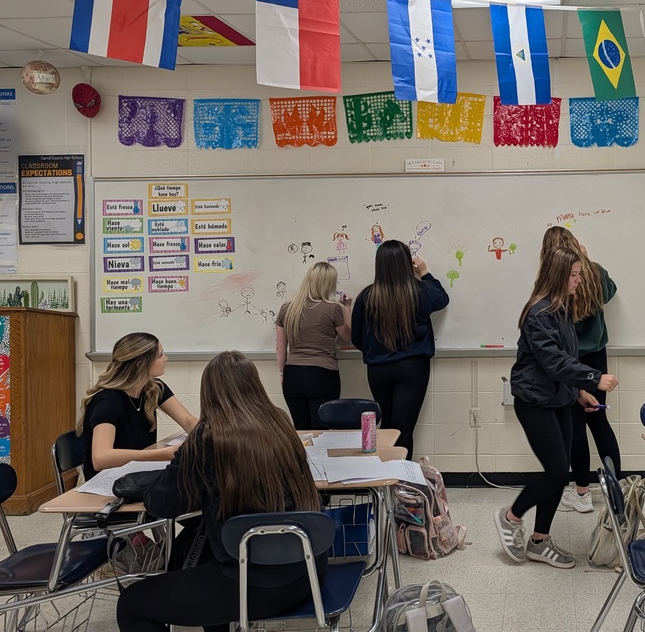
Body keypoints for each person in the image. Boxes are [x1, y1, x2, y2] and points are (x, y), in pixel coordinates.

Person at [116, 351, 324, 632]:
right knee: (200, 549)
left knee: (131, 603)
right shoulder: (280, 423)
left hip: (252, 582)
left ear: (208, 394)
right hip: (305, 572)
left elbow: (163, 504)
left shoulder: (207, 437)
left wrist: (172, 472)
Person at [495, 245, 618, 569]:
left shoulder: (564, 309)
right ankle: (510, 517)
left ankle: (539, 542)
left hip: (561, 398)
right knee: (554, 472)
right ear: (559, 276)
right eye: (575, 275)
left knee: (559, 473)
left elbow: (565, 362)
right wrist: (594, 378)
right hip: (534, 401)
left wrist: (579, 392)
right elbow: (554, 362)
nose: (579, 281)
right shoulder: (539, 313)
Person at [540, 226, 619, 514]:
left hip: (570, 361)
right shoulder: (594, 272)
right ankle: (614, 492)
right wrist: (588, 261)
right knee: (600, 423)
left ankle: (583, 493)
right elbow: (610, 293)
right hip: (597, 358)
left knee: (574, 429)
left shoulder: (553, 282)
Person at [351, 240, 449, 459]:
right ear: (406, 263)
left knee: (386, 428)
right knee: (404, 429)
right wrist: (425, 272)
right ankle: (402, 482)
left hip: (378, 369)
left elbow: (357, 338)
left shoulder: (367, 296)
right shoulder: (421, 291)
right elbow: (442, 299)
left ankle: (386, 480)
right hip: (412, 368)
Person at [78, 332, 198, 480]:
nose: (166, 359)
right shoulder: (108, 401)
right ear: (140, 364)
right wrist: (162, 454)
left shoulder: (153, 388)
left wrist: (218, 436)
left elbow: (187, 420)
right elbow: (101, 458)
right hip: (108, 482)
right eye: (160, 355)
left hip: (134, 473)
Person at [276, 261, 352, 430]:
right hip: (322, 375)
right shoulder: (333, 309)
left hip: (293, 375)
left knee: (301, 430)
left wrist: (282, 373)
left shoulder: (287, 308)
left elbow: (281, 348)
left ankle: (301, 458)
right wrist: (347, 308)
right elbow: (346, 337)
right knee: (321, 431)